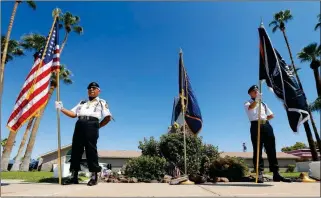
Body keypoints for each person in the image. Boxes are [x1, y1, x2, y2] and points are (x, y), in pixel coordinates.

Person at [55, 82, 112, 186]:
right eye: (89, 88)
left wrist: (98, 126)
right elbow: (73, 114)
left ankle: (94, 176)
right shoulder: (82, 102)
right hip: (79, 124)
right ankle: (74, 176)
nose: (91, 90)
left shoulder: (101, 102)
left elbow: (108, 117)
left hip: (92, 124)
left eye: (94, 88)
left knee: (91, 150)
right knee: (76, 150)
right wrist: (61, 108)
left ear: (99, 91)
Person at [244, 85, 291, 183]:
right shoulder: (248, 103)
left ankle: (276, 173)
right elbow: (250, 108)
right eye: (255, 91)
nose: (257, 92)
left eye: (257, 90)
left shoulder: (264, 104)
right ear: (250, 93)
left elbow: (271, 115)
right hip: (255, 125)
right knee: (257, 149)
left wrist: (264, 119)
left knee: (271, 149)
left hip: (266, 125)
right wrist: (256, 100)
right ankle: (259, 173)